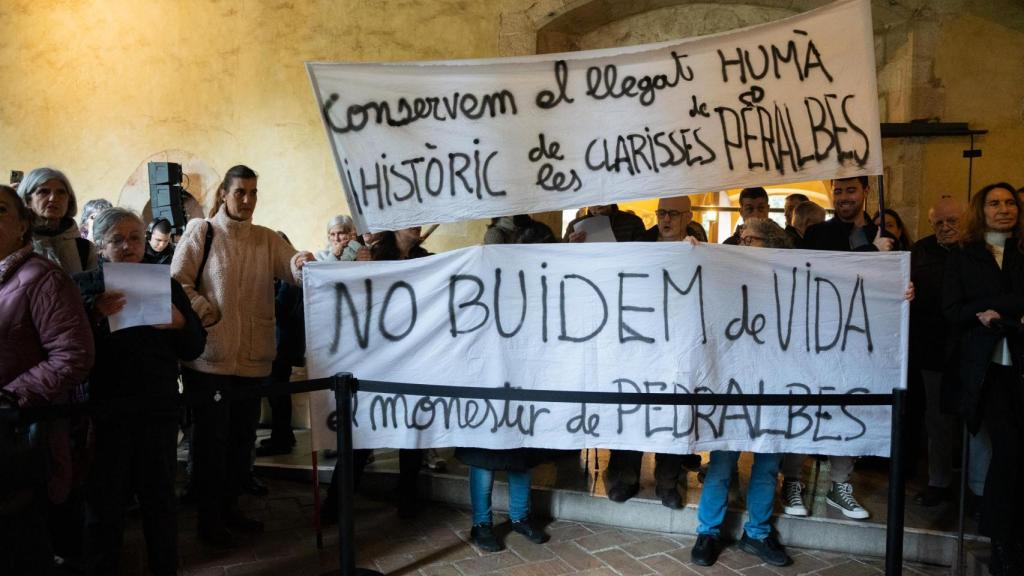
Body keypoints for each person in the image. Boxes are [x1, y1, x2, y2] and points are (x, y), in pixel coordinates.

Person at [170, 165, 314, 548]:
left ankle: (232, 509)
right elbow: (178, 280)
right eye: (240, 193)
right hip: (209, 360)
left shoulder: (266, 239)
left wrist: (301, 262)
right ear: (223, 194)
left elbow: (294, 270)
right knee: (210, 444)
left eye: (253, 192)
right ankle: (209, 519)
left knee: (240, 441)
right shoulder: (202, 231)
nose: (248, 200)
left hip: (253, 359)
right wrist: (203, 310)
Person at [76, 208, 206, 576]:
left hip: (158, 410)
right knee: (104, 505)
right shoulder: (84, 285)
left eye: (134, 237)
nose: (128, 246)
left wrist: (181, 323)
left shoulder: (164, 282)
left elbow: (195, 346)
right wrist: (93, 314)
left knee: (160, 501)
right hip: (105, 413)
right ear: (100, 246)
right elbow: (67, 347)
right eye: (116, 239)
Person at [787, 176, 895, 520]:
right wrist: (870, 254)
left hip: (861, 340)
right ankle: (792, 480)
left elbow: (890, 283)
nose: (845, 196)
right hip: (816, 336)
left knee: (847, 410)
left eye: (851, 190)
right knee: (802, 407)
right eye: (839, 190)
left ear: (866, 192)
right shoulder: (818, 234)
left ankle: (840, 485)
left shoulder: (885, 236)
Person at [0, 185, 94, 575]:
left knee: (21, 539)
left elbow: (74, 355)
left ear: (23, 225)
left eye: (0, 210)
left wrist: (9, 397)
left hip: (19, 432)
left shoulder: (42, 278)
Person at [691, 217, 791, 568]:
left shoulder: (791, 278)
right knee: (721, 462)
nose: (742, 243)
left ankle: (758, 533)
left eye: (751, 239)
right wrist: (692, 257)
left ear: (772, 243)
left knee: (766, 462)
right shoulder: (727, 274)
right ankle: (708, 531)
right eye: (741, 237)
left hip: (774, 382)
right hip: (733, 382)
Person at [455, 218, 557, 552]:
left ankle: (519, 517)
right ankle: (481, 523)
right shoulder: (488, 278)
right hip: (487, 380)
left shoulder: (548, 287)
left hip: (526, 382)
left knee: (521, 453)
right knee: (483, 455)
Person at [595, 194, 702, 510]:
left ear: (687, 216)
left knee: (672, 411)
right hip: (637, 343)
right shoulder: (639, 245)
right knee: (633, 409)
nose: (665, 219)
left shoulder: (699, 250)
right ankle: (624, 478)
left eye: (672, 213)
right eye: (661, 213)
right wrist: (579, 247)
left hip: (678, 346)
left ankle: (668, 481)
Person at [943, 182, 1024, 574]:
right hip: (984, 369)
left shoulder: (1021, 254)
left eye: (1010, 203)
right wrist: (1009, 311)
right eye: (995, 203)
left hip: (1020, 365)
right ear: (981, 210)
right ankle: (1002, 541)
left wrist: (999, 312)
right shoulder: (964, 257)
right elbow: (954, 311)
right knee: (1008, 451)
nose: (1004, 209)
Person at [909, 197, 964, 508]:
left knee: (975, 424)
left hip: (972, 348)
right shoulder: (921, 250)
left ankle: (977, 486)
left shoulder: (978, 249)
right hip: (933, 349)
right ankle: (938, 481)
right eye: (940, 222)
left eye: (952, 221)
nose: (946, 227)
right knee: (938, 420)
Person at [255, 232, 306, 457]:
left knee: (277, 393)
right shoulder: (282, 275)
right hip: (277, 343)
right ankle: (283, 435)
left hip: (282, 345)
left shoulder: (290, 277)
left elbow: (281, 309)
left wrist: (259, 290)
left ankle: (282, 440)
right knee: (277, 393)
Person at [18, 167, 97, 274]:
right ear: (27, 201)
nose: (53, 198)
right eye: (43, 192)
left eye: (61, 192)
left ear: (69, 201)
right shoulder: (16, 244)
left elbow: (92, 289)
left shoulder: (84, 249)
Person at [564, 204, 645, 242]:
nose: (597, 203)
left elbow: (641, 253)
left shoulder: (633, 222)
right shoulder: (575, 226)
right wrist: (572, 246)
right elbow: (563, 257)